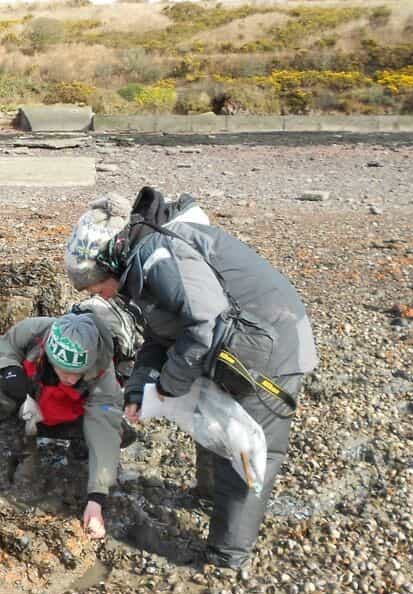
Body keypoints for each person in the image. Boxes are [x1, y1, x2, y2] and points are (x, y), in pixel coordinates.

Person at [65, 186, 318, 571]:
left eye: (96, 286)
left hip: (271, 346)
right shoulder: (141, 265)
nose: (97, 294)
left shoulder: (158, 259)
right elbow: (160, 333)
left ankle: (226, 558)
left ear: (111, 261)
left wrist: (168, 387)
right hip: (233, 343)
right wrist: (139, 387)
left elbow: (204, 324)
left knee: (247, 447)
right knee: (212, 421)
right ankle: (206, 495)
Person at [0, 313, 125, 539]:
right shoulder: (33, 331)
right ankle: (26, 453)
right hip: (30, 408)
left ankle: (81, 455)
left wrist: (96, 499)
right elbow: (0, 352)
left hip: (72, 420)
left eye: (77, 373)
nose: (70, 379)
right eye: (63, 371)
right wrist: (9, 370)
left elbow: (105, 429)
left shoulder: (104, 376)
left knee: (116, 432)